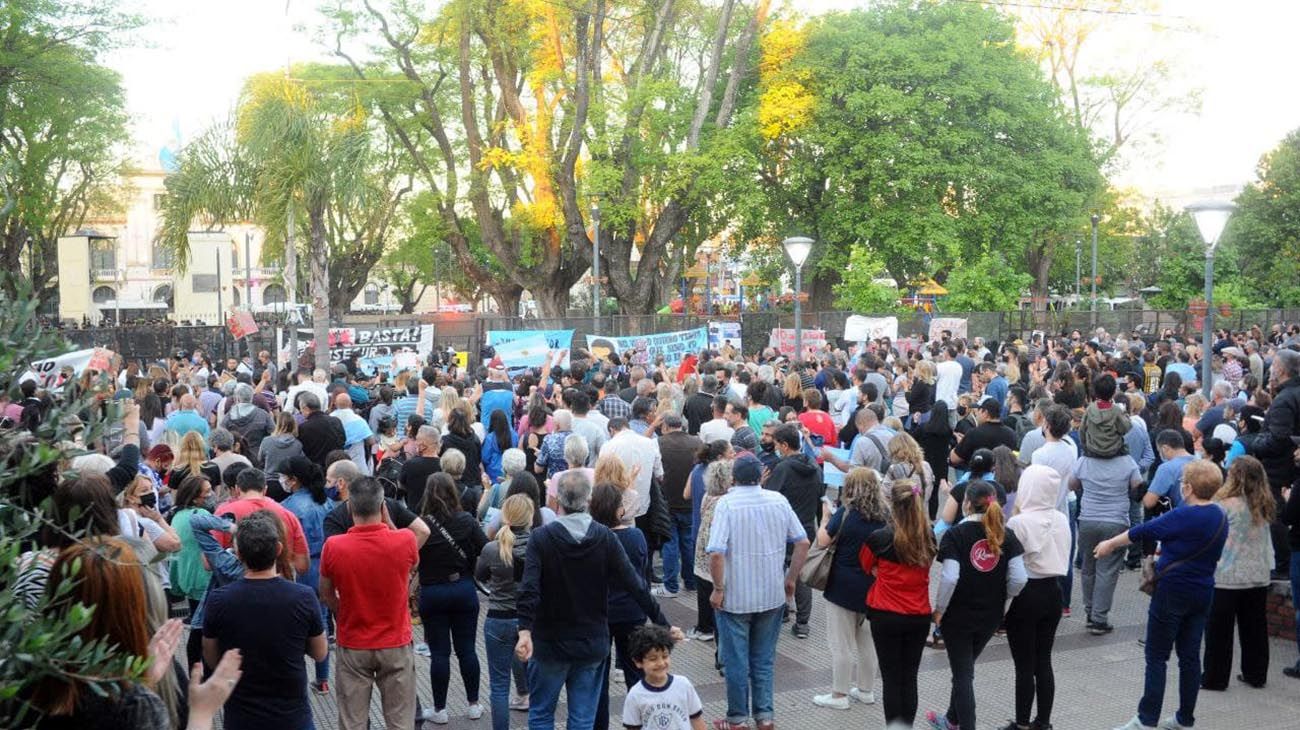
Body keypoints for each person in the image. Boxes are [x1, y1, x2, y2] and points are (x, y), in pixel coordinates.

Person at [514, 471, 678, 729]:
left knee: (542, 713)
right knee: (582, 718)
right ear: (588, 500)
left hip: (550, 642)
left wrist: (524, 631)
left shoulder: (542, 538)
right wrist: (663, 623)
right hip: (591, 641)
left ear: (558, 501)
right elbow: (636, 585)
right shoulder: (604, 537)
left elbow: (529, 588)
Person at [1095, 460, 1229, 730]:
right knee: (1190, 656)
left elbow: (1140, 531)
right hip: (1203, 590)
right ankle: (1184, 718)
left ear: (1188, 488)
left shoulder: (1183, 515)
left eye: (1182, 484)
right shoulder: (1220, 515)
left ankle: (1147, 719)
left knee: (1157, 656)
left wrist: (1109, 543)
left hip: (1172, 590)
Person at [706, 454, 811, 730]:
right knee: (763, 661)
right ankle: (765, 716)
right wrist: (791, 579)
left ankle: (737, 719)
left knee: (736, 662)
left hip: (735, 598)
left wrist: (718, 588)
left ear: (733, 477)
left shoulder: (727, 504)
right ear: (761, 475)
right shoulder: (778, 501)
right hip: (771, 595)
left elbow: (716, 552)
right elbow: (802, 541)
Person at [202, 511, 328, 730]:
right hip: (292, 716)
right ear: (279, 549)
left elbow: (212, 659)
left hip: (242, 715)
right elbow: (320, 652)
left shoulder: (219, 600)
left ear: (238, 554)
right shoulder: (303, 596)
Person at [319, 476, 427, 730]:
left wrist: (342, 611)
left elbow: (325, 593)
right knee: (401, 721)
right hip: (395, 641)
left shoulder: (334, 546)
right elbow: (413, 565)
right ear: (382, 507)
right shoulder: (404, 540)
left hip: (354, 640)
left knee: (352, 721)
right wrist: (389, 524)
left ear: (350, 507)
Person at [927, 480, 1026, 730]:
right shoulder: (1007, 534)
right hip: (990, 615)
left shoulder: (956, 535)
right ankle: (952, 719)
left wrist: (939, 609)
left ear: (968, 504)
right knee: (965, 667)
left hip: (959, 616)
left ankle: (965, 726)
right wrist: (1003, 601)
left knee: (963, 675)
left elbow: (950, 577)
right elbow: (1019, 579)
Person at [858, 477, 935, 730]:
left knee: (891, 677)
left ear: (891, 503)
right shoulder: (928, 537)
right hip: (919, 614)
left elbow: (866, 566)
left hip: (885, 613)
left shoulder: (879, 538)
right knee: (909, 676)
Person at [812, 467, 889, 710]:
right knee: (868, 642)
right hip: (875, 587)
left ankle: (839, 695)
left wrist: (825, 518)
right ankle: (866, 690)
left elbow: (823, 541)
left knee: (841, 644)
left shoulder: (847, 513)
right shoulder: (887, 515)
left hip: (842, 586)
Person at [415, 472, 488, 724]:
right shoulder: (466, 521)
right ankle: (474, 704)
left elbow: (410, 558)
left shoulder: (421, 525)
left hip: (433, 593)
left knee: (439, 653)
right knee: (467, 649)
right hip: (463, 589)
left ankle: (440, 709)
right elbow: (485, 548)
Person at [1003, 465, 1071, 730]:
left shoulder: (1018, 522)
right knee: (1044, 659)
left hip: (1025, 594)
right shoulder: (1061, 518)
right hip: (1053, 592)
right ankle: (1043, 721)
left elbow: (1011, 565)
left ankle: (1020, 723)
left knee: (1023, 664)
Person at [1200, 455, 1275, 691]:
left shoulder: (1223, 505)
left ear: (1235, 477)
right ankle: (1256, 674)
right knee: (1255, 627)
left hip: (1227, 574)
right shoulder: (1265, 503)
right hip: (1259, 573)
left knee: (1219, 631)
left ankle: (1215, 678)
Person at [590, 482, 656, 730]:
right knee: (636, 674)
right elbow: (643, 574)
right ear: (619, 510)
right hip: (632, 612)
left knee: (598, 678)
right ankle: (639, 724)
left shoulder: (591, 538)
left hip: (600, 614)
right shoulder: (635, 536)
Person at [475, 495, 535, 729]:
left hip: (498, 619)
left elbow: (479, 575)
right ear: (530, 517)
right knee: (537, 681)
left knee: (499, 685)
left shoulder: (492, 548)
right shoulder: (538, 545)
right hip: (530, 621)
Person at [280, 456, 336, 695]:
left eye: (285, 476)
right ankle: (322, 679)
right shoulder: (326, 502)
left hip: (299, 569)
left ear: (294, 480)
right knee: (321, 623)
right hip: (326, 567)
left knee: (293, 625)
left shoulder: (288, 506)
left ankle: (295, 679)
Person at [763, 423, 822, 638]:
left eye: (778, 444)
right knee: (801, 576)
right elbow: (819, 498)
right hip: (806, 528)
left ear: (785, 445)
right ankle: (803, 622)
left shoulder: (782, 469)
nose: (776, 448)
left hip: (782, 530)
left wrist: (762, 485)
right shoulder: (815, 467)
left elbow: (770, 499)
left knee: (780, 570)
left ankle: (783, 611)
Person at [213, 468, 310, 575]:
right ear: (265, 489)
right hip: (279, 584)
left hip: (236, 583)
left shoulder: (223, 513)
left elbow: (209, 562)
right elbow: (302, 565)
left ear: (237, 489)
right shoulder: (287, 514)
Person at [620, 625, 706, 730]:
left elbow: (696, 718)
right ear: (638, 662)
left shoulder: (683, 685)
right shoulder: (635, 695)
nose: (660, 663)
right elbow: (632, 727)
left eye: (665, 656)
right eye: (653, 659)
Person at [658, 414, 703, 597]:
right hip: (690, 500)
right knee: (688, 542)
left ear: (666, 426)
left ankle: (670, 585)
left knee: (670, 543)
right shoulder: (696, 442)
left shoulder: (659, 443)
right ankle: (691, 582)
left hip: (667, 501)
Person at [1079, 374, 1131, 459]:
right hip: (1114, 451)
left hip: (1093, 450)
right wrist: (1125, 414)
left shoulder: (1090, 409)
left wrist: (1085, 446)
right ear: (1114, 392)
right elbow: (1125, 428)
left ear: (1095, 392)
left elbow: (1082, 430)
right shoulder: (1116, 410)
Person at [296, 393, 345, 466]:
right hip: (337, 465)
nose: (301, 413)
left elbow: (303, 450)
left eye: (301, 410)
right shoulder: (336, 421)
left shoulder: (304, 428)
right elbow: (343, 441)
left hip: (316, 469)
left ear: (306, 408)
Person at [259, 412, 304, 478]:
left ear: (277, 424)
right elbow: (301, 462)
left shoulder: (266, 441)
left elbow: (260, 459)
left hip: (270, 479)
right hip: (288, 481)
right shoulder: (297, 444)